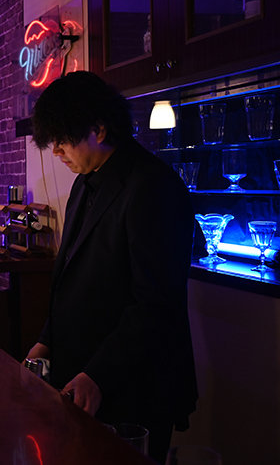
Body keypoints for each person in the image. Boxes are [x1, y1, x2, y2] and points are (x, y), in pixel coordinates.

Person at [26, 71, 197, 463]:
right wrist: (46, 340)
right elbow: (72, 277)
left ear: (99, 130)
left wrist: (98, 374)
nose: (56, 151)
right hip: (85, 377)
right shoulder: (85, 181)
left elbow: (156, 302)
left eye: (63, 139)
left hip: (134, 385)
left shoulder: (154, 185)